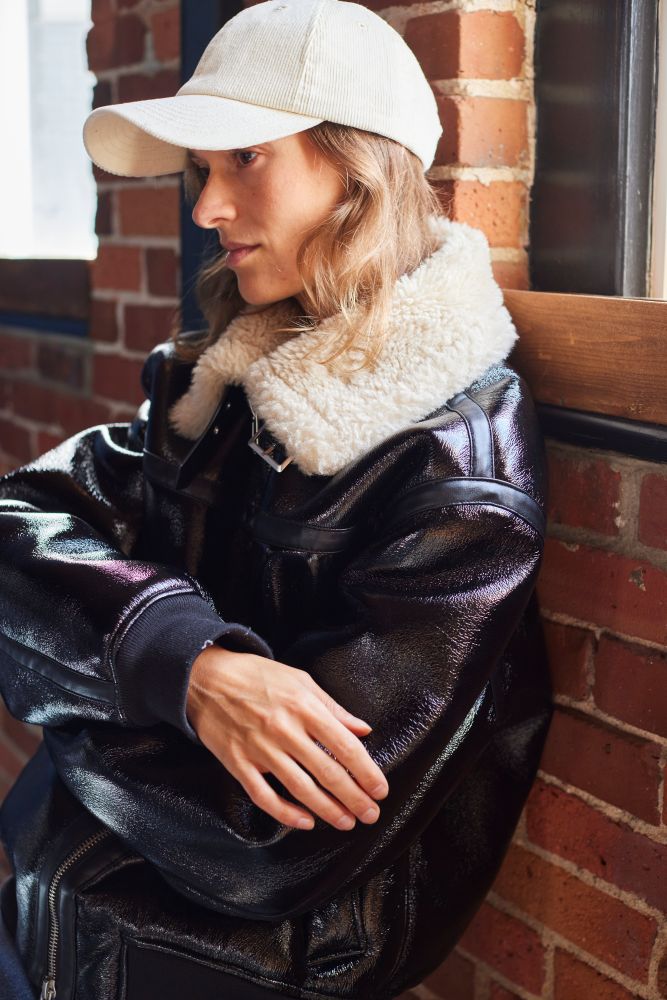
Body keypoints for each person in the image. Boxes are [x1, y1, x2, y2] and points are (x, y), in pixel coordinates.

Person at [0, 1, 553, 998]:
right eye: (201, 171)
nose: (206, 207)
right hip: (52, 924)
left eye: (242, 158)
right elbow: (14, 523)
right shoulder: (227, 382)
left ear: (357, 170)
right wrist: (172, 659)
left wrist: (63, 676)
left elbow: (265, 842)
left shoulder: (454, 468)